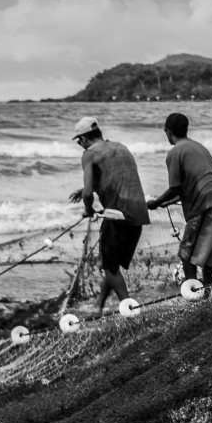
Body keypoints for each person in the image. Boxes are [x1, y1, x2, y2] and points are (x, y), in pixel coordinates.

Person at [68, 116, 150, 315]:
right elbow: (115, 176)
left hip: (117, 215)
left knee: (110, 267)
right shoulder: (120, 147)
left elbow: (88, 194)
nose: (80, 145)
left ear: (84, 138)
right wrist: (90, 187)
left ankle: (131, 312)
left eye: (79, 141)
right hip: (138, 214)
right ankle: (99, 306)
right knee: (111, 265)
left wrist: (89, 210)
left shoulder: (89, 154)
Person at [147, 112, 212, 296]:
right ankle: (207, 297)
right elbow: (188, 188)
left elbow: (174, 188)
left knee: (187, 255)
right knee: (208, 259)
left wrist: (155, 203)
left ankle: (194, 298)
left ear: (167, 131)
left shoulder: (175, 152)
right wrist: (168, 202)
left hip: (208, 204)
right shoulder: (198, 147)